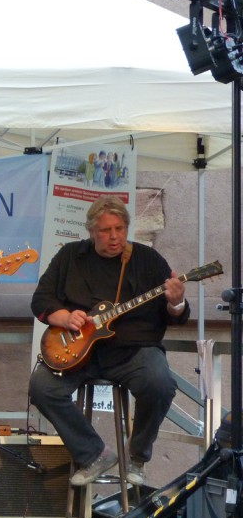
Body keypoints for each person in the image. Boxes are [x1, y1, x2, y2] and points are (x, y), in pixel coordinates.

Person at [28, 195, 187, 487]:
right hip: (78, 354)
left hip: (133, 351)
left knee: (161, 383)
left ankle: (137, 456)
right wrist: (64, 318)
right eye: (105, 230)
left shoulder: (148, 260)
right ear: (91, 231)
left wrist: (176, 303)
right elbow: (41, 300)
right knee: (41, 387)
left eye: (119, 229)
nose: (114, 237)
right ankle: (94, 454)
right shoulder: (70, 257)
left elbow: (176, 317)